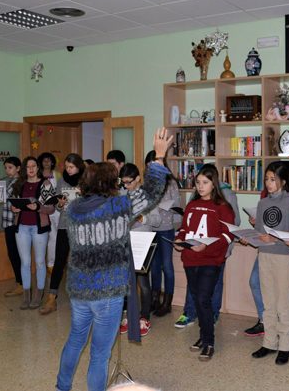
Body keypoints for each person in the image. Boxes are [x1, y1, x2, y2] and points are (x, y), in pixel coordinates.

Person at [55, 129, 172, 391]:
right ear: (112, 183)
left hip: (78, 290)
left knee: (75, 339)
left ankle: (62, 387)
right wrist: (160, 155)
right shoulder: (118, 207)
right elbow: (152, 191)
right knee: (99, 354)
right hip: (107, 292)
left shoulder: (73, 209)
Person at [174, 166, 234, 361]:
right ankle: (202, 336)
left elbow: (227, 236)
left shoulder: (222, 206)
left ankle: (208, 342)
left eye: (205, 182)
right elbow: (184, 229)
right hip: (190, 259)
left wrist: (206, 248)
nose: (200, 186)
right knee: (197, 298)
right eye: (198, 182)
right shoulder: (191, 205)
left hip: (211, 260)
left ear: (213, 183)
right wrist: (179, 241)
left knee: (203, 300)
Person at [247, 161, 289, 366]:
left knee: (281, 303)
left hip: (282, 256)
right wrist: (252, 237)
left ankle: (285, 345)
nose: (269, 184)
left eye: (273, 180)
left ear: (283, 181)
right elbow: (260, 232)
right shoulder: (262, 204)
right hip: (264, 255)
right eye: (267, 179)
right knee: (268, 302)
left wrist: (277, 239)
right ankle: (269, 342)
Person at [118, 163, 161, 336]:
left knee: (143, 283)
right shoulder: (121, 194)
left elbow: (157, 220)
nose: (126, 186)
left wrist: (143, 218)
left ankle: (144, 318)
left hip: (142, 241)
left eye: (129, 182)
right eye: (123, 182)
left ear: (138, 179)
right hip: (124, 243)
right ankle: (129, 315)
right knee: (126, 283)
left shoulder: (147, 196)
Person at [39, 153, 85, 315]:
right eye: (66, 167)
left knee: (82, 262)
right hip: (65, 224)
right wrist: (60, 203)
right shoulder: (61, 180)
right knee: (59, 261)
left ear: (79, 166)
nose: (68, 170)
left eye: (71, 167)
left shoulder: (87, 179)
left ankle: (84, 298)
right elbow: (58, 207)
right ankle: (51, 298)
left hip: (82, 226)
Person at [11, 156, 56, 310]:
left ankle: (38, 295)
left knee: (39, 262)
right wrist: (14, 209)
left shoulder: (45, 184)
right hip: (22, 226)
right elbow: (15, 203)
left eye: (33, 166)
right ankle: (26, 296)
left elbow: (51, 208)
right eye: (28, 166)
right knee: (25, 262)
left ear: (38, 168)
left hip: (39, 227)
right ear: (24, 169)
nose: (30, 169)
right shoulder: (19, 184)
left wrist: (38, 208)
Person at [144, 151, 181, 318]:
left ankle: (168, 302)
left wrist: (160, 206)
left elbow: (177, 205)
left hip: (166, 228)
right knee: (154, 267)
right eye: (149, 166)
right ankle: (154, 299)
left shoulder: (171, 182)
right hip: (150, 229)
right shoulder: (147, 182)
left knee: (167, 266)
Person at [2, 157, 23, 297]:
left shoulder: (20, 183)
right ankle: (20, 281)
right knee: (13, 253)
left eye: (10, 167)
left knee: (15, 254)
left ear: (18, 168)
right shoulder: (10, 182)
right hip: (8, 222)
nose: (7, 170)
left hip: (14, 223)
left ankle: (21, 284)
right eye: (6, 168)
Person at [38, 152, 60, 271]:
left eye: (49, 160)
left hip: (58, 210)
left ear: (52, 162)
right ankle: (51, 264)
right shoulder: (38, 175)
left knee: (57, 237)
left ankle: (56, 263)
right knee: (51, 237)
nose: (46, 163)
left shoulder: (57, 174)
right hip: (44, 211)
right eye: (44, 160)